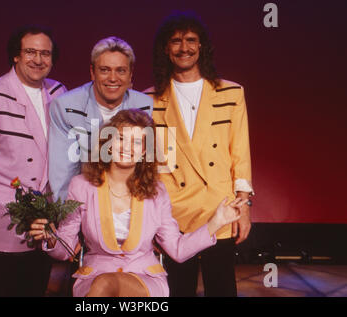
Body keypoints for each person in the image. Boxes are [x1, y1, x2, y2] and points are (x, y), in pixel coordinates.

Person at [29, 109, 247, 297]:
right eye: (121, 138)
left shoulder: (157, 192)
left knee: (107, 285)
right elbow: (64, 249)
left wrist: (216, 222)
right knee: (103, 284)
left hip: (145, 279)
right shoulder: (81, 186)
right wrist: (51, 238)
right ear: (109, 143)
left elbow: (178, 250)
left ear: (144, 152)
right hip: (94, 276)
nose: (127, 147)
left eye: (136, 142)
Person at [145, 11, 254, 297]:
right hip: (172, 213)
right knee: (177, 291)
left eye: (191, 40)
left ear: (202, 46)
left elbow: (240, 155)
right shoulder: (148, 100)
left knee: (222, 289)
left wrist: (244, 209)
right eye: (176, 41)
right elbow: (150, 165)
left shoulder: (231, 93)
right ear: (165, 49)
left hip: (220, 207)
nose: (184, 48)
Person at [0, 25, 67, 296]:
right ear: (15, 56)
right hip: (2, 225)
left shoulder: (59, 93)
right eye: (30, 52)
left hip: (44, 224)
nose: (38, 60)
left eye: (45, 53)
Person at [48, 36, 153, 203]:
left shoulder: (146, 106)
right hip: (83, 202)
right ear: (92, 72)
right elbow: (62, 173)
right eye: (104, 70)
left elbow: (149, 167)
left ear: (130, 74)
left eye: (121, 70)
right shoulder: (65, 106)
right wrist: (65, 217)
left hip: (132, 202)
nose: (113, 78)